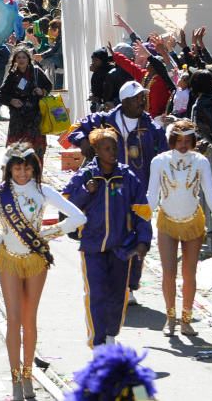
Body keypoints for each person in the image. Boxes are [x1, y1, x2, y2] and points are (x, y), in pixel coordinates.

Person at [0, 144, 86, 401]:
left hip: (35, 261)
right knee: (13, 319)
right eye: (17, 168)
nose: (22, 173)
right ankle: (15, 379)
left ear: (35, 168)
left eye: (27, 167)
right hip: (9, 260)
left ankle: (29, 375)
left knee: (29, 319)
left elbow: (78, 218)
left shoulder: (43, 191)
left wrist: (45, 235)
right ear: (9, 168)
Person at [61, 127, 153, 349]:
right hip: (93, 247)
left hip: (122, 248)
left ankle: (111, 334)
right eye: (107, 148)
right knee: (96, 295)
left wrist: (143, 240)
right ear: (96, 151)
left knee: (118, 296)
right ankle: (98, 343)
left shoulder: (128, 177)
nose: (112, 152)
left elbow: (142, 212)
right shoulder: (85, 176)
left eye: (114, 147)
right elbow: (65, 208)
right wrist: (85, 191)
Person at [146, 120, 212, 336]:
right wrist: (139, 216)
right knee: (168, 272)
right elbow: (152, 196)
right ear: (171, 140)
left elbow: (210, 192)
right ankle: (170, 318)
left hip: (193, 222)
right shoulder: (159, 162)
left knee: (189, 273)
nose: (182, 145)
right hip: (167, 222)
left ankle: (186, 319)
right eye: (178, 140)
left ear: (193, 141)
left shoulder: (201, 161)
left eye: (187, 141)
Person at [0, 46, 53, 155]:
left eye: (24, 57)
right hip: (18, 119)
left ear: (28, 59)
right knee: (16, 153)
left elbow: (48, 86)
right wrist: (11, 100)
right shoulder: (12, 76)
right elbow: (0, 95)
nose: (21, 60)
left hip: (35, 118)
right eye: (19, 57)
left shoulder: (36, 72)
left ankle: (35, 171)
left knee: (36, 151)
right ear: (15, 60)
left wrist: (42, 91)